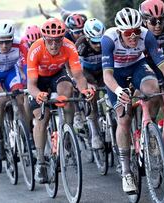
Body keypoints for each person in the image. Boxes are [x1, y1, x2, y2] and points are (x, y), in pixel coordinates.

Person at [101, 8, 164, 193]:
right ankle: (127, 171)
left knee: (153, 91)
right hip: (116, 74)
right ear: (120, 31)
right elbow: (107, 75)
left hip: (137, 66)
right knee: (124, 119)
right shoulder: (108, 39)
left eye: (136, 31)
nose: (133, 36)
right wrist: (119, 91)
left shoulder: (147, 36)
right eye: (128, 33)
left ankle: (149, 131)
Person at [27, 18, 94, 183]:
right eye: (50, 40)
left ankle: (68, 132)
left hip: (57, 75)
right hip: (39, 81)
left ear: (63, 38)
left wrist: (84, 89)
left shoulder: (69, 46)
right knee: (42, 118)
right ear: (44, 39)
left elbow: (78, 76)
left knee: (67, 91)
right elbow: (31, 85)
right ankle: (41, 162)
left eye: (58, 40)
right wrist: (38, 95)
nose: (54, 45)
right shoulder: (35, 49)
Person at [0, 20, 28, 160]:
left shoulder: (20, 44)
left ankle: (26, 132)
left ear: (12, 38)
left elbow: (27, 71)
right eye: (0, 42)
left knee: (21, 97)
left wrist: (27, 86)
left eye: (8, 42)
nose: (4, 46)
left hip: (10, 73)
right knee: (0, 100)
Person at [75, 18, 106, 149]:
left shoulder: (107, 41)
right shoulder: (80, 45)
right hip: (87, 72)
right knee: (92, 95)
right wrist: (86, 83)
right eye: (94, 42)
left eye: (100, 41)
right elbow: (76, 68)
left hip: (103, 70)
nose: (98, 45)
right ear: (87, 38)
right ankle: (95, 133)